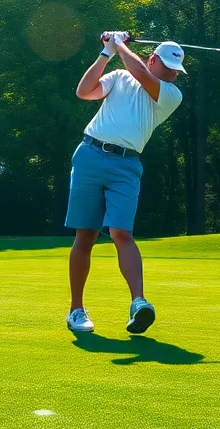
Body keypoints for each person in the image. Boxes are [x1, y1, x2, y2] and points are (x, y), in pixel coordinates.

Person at [65, 31, 185, 336]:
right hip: (90, 153)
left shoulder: (170, 94)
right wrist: (106, 51)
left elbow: (142, 73)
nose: (173, 74)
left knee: (121, 232)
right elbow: (84, 91)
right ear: (153, 58)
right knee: (85, 235)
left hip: (126, 165)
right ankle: (76, 310)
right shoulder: (119, 76)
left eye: (176, 71)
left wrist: (118, 45)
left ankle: (139, 303)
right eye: (169, 67)